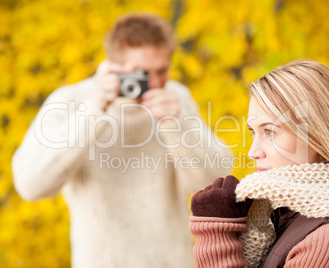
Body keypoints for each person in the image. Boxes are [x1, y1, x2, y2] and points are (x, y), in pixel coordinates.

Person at [12, 12, 234, 267]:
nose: (152, 84)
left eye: (161, 71)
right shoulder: (70, 101)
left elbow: (212, 184)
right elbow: (31, 185)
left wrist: (175, 125)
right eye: (140, 74)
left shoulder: (175, 97)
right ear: (113, 66)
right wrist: (93, 110)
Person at [189, 59, 329, 267]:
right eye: (253, 132)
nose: (253, 152)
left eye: (270, 132)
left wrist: (216, 237)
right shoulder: (279, 220)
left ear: (320, 136)